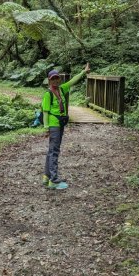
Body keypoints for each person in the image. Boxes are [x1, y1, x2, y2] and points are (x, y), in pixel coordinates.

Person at [42, 62, 90, 190]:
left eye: (57, 78)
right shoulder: (48, 94)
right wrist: (46, 128)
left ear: (60, 79)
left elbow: (73, 80)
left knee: (52, 150)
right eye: (53, 79)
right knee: (54, 151)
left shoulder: (62, 89)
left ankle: (46, 177)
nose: (56, 81)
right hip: (53, 125)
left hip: (60, 123)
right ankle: (54, 180)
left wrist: (83, 72)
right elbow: (45, 112)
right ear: (49, 80)